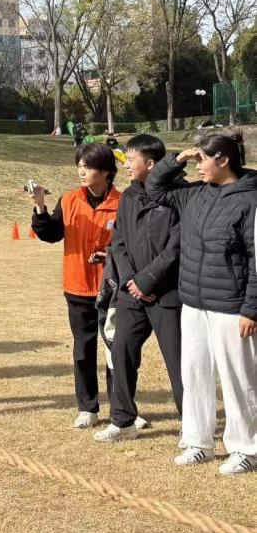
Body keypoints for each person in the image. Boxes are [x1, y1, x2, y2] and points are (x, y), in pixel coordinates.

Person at [146, 132, 257, 474]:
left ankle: (246, 448)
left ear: (224, 159)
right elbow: (155, 188)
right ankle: (198, 442)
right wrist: (177, 158)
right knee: (194, 375)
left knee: (239, 380)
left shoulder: (250, 200)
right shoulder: (193, 194)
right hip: (193, 303)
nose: (197, 166)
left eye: (202, 159)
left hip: (232, 307)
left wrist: (251, 308)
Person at [95, 135, 182, 442]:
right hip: (131, 294)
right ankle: (122, 421)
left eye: (131, 160)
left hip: (167, 294)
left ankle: (194, 426)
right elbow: (118, 242)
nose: (126, 165)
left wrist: (147, 280)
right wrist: (132, 281)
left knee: (179, 362)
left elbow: (177, 247)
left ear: (152, 164)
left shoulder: (178, 195)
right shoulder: (130, 196)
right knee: (121, 353)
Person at [31, 143, 121, 429]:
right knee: (83, 349)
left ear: (105, 171)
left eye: (88, 166)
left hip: (112, 287)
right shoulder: (69, 200)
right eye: (79, 165)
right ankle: (87, 407)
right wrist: (40, 207)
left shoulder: (124, 201)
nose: (82, 171)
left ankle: (122, 408)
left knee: (116, 349)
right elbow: (51, 234)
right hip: (77, 286)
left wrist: (110, 255)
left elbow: (131, 243)